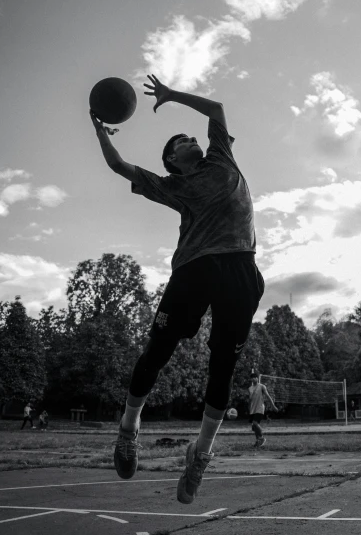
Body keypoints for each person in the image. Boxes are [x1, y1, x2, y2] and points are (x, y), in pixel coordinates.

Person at [91, 74, 264, 505]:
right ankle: (130, 428)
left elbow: (217, 110)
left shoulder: (221, 155)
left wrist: (171, 96)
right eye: (182, 140)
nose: (191, 138)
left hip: (242, 268)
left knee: (223, 365)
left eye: (191, 135)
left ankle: (200, 454)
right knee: (159, 350)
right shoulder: (173, 187)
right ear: (172, 160)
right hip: (194, 269)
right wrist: (98, 130)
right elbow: (117, 166)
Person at [248, 376, 278, 447]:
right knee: (254, 427)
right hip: (253, 409)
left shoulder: (262, 386)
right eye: (252, 377)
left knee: (255, 423)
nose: (253, 379)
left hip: (260, 408)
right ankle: (258, 441)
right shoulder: (250, 388)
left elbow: (268, 396)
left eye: (254, 377)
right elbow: (250, 400)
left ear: (257, 378)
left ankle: (261, 438)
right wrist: (249, 408)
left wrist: (273, 406)